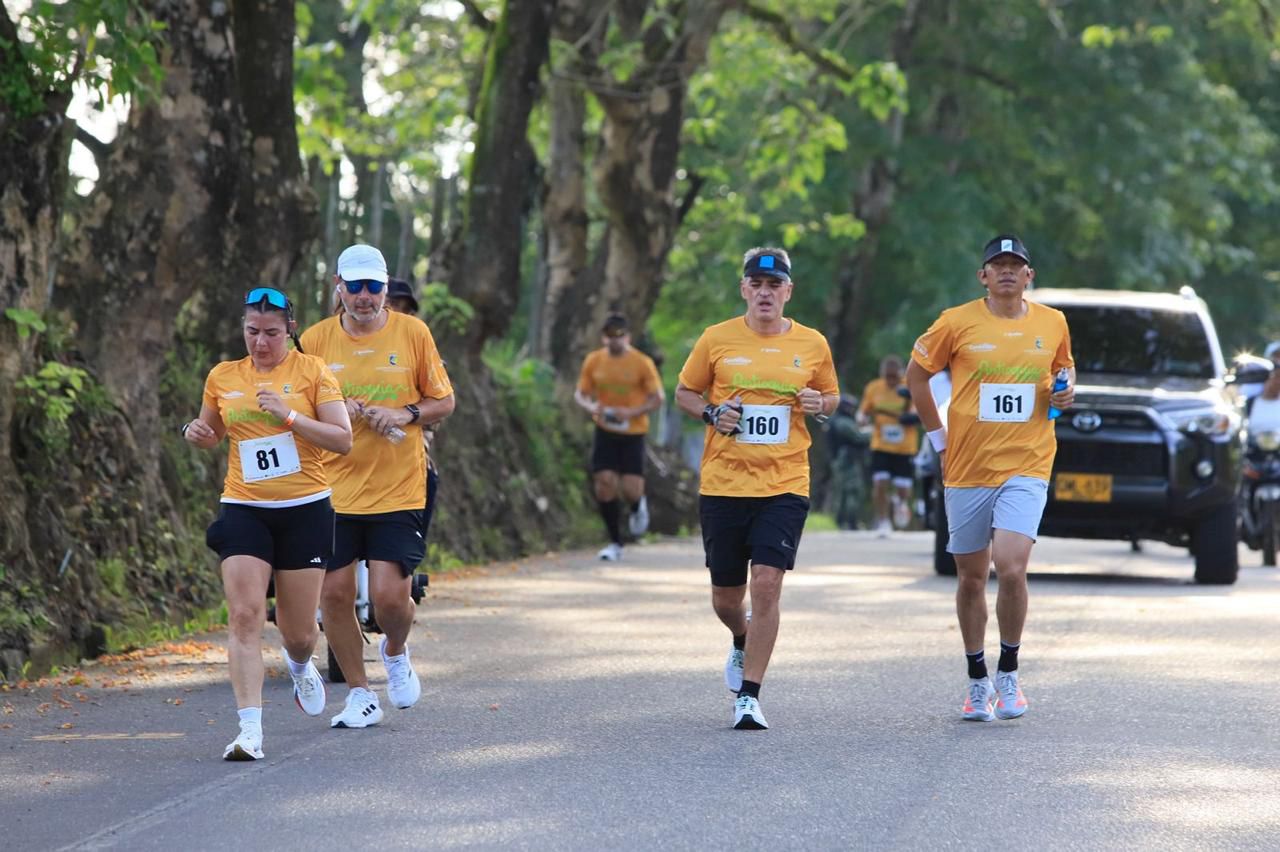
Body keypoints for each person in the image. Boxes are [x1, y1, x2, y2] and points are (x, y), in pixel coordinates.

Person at [906, 234, 1073, 723]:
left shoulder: (1053, 322)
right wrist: (938, 439)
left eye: (1015, 265)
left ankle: (1009, 671)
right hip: (967, 466)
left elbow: (1063, 371)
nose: (1006, 271)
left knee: (1012, 565)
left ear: (1029, 276)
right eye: (996, 265)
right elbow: (918, 377)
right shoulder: (954, 323)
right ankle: (977, 678)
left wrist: (1065, 392)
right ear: (982, 276)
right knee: (971, 576)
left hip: (1028, 462)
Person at [183, 287, 353, 761]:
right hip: (244, 506)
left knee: (298, 632)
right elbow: (212, 433)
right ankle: (249, 731)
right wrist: (196, 435)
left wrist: (291, 415)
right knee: (244, 615)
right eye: (252, 331)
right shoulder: (223, 375)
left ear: (290, 330)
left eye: (271, 333)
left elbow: (343, 440)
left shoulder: (313, 371)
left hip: (305, 508)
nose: (260, 343)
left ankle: (300, 664)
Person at [675, 247, 839, 730]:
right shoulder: (716, 339)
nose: (765, 292)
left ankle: (749, 695)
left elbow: (831, 395)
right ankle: (740, 638)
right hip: (725, 482)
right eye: (757, 284)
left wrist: (818, 401)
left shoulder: (812, 344)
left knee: (766, 585)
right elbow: (686, 392)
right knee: (727, 599)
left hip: (785, 481)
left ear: (788, 291)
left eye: (775, 285)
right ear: (744, 289)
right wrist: (711, 413)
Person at [301, 245, 456, 730]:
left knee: (391, 599)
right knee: (334, 595)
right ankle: (360, 695)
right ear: (339, 287)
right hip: (331, 489)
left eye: (373, 287)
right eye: (355, 286)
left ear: (386, 290)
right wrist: (333, 415)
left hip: (397, 487)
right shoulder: (315, 340)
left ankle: (394, 650)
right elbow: (294, 410)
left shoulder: (413, 334)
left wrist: (405, 413)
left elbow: (444, 401)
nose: (364, 297)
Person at [574, 313, 665, 561]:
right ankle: (615, 542)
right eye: (611, 336)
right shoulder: (594, 361)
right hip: (605, 429)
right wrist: (590, 406)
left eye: (620, 335)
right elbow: (580, 393)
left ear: (628, 337)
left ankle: (637, 505)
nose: (616, 340)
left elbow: (658, 398)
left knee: (631, 488)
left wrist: (632, 412)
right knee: (604, 483)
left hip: (633, 432)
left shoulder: (641, 362)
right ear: (604, 338)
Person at [384, 278, 440, 539]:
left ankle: (411, 551)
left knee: (428, 476)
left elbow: (437, 405)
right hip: (347, 449)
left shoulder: (419, 347)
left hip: (406, 445)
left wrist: (407, 416)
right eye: (392, 303)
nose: (397, 311)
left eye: (403, 307)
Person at [859, 355, 920, 535]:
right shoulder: (873, 388)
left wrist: (911, 416)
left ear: (900, 374)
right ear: (882, 375)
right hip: (881, 444)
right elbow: (863, 411)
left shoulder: (909, 386)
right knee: (880, 482)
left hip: (905, 447)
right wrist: (861, 419)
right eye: (888, 377)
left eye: (894, 377)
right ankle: (883, 520)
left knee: (903, 487)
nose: (891, 381)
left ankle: (900, 502)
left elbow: (918, 409)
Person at [824, 395, 867, 530]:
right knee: (852, 490)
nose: (852, 410)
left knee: (843, 491)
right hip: (846, 460)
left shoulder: (836, 421)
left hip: (841, 460)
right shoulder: (843, 423)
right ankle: (850, 521)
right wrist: (874, 433)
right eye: (850, 407)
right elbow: (859, 438)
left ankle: (842, 521)